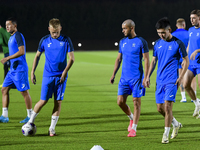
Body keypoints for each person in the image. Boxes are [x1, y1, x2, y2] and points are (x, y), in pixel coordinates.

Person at [27, 18, 75, 136]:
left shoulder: (66, 40)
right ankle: (30, 122)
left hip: (61, 77)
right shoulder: (44, 40)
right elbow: (37, 56)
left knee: (58, 102)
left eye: (57, 32)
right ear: (49, 29)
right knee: (43, 100)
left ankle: (52, 129)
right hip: (47, 76)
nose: (55, 34)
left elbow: (72, 59)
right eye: (53, 32)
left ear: (60, 29)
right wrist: (32, 71)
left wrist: (64, 72)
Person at [145, 17, 189, 143]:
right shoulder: (158, 43)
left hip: (172, 80)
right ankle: (175, 123)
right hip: (160, 80)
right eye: (159, 33)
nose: (161, 35)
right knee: (160, 108)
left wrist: (181, 77)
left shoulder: (177, 43)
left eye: (163, 32)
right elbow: (154, 61)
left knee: (168, 107)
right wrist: (148, 76)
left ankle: (165, 134)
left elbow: (186, 61)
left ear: (169, 30)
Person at [110, 19, 150, 137]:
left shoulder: (141, 42)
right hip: (124, 78)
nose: (123, 31)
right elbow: (118, 59)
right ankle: (131, 118)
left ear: (131, 28)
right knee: (120, 102)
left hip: (137, 78)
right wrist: (113, 74)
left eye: (124, 28)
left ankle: (134, 128)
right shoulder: (122, 42)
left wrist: (146, 77)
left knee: (136, 103)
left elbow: (147, 60)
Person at [0, 17, 32, 123]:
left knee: (24, 92)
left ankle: (30, 115)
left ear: (15, 26)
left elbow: (21, 51)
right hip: (12, 70)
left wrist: (7, 58)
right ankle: (4, 116)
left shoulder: (18, 35)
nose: (7, 27)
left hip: (20, 69)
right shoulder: (10, 37)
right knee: (4, 89)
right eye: (6, 25)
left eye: (9, 25)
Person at [172, 18, 199, 103]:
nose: (192, 20)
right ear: (184, 25)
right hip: (189, 58)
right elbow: (190, 45)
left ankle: (183, 97)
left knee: (181, 76)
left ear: (176, 25)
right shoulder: (189, 32)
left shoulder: (172, 35)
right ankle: (193, 97)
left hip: (179, 58)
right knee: (191, 79)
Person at [183, 9, 200, 118]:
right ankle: (197, 104)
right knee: (185, 85)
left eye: (194, 18)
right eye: (190, 18)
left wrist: (198, 51)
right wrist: (185, 58)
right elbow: (189, 44)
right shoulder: (190, 30)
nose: (192, 20)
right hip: (191, 63)